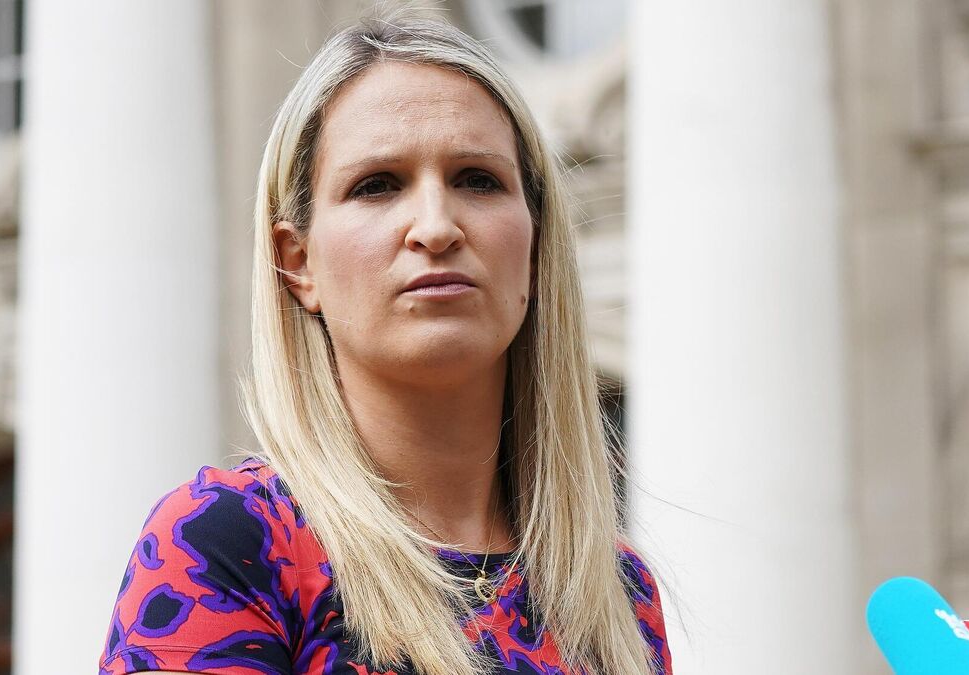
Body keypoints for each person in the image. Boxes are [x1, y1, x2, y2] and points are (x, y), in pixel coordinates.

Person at [98, 9, 672, 675]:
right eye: (377, 186)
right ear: (298, 262)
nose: (436, 227)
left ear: (537, 243)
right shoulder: (231, 542)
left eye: (477, 179)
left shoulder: (617, 592)